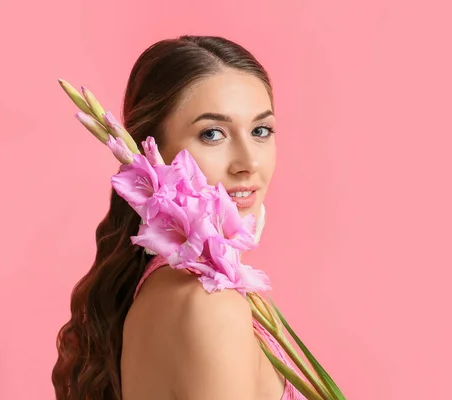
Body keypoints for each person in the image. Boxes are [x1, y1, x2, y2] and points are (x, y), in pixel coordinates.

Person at [52, 35, 304, 400]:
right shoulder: (210, 305)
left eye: (260, 130)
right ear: (153, 153)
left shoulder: (164, 289)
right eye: (212, 134)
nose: (249, 162)